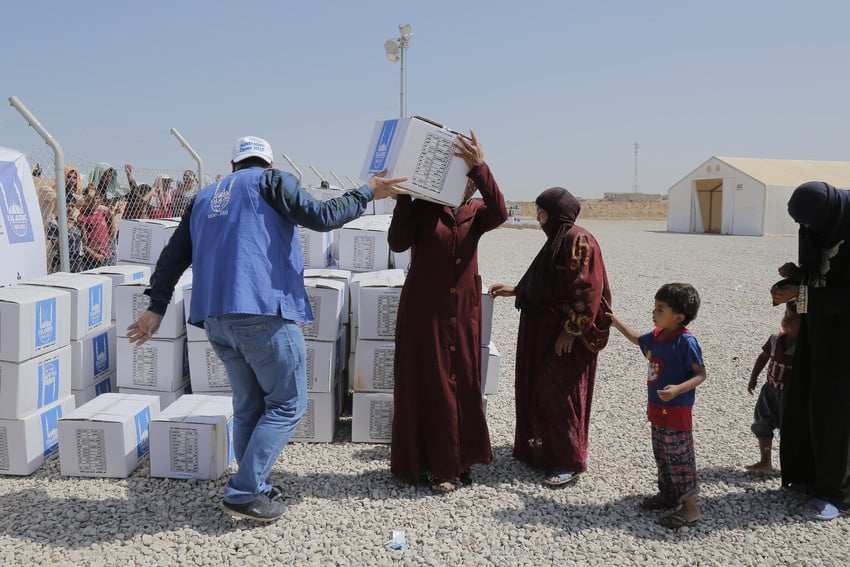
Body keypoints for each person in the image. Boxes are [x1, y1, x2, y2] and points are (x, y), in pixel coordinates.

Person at [126, 136, 407, 522]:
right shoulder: (272, 182)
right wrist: (366, 191)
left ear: (232, 165)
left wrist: (156, 306)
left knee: (248, 407)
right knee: (289, 403)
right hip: (261, 313)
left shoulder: (204, 196)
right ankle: (243, 491)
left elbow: (173, 255)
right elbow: (321, 217)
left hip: (214, 318)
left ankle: (252, 485)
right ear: (269, 164)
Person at [388, 130, 507, 492]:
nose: (465, 185)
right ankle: (435, 465)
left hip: (463, 312)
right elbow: (397, 241)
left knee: (464, 383)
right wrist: (405, 196)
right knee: (431, 383)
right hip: (426, 312)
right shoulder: (424, 208)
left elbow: (501, 211)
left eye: (468, 178)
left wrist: (480, 167)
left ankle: (460, 461)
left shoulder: (477, 213)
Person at [489, 187, 611, 488]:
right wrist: (516, 290)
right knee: (542, 388)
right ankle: (546, 452)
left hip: (564, 334)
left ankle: (569, 461)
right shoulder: (559, 240)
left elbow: (587, 291)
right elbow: (548, 279)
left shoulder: (577, 240)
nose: (538, 218)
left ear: (556, 214)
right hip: (545, 330)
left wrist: (571, 330)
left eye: (541, 212)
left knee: (559, 393)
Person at [770, 180, 850, 521]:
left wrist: (799, 296)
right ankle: (809, 475)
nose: (805, 229)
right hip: (818, 328)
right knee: (806, 397)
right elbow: (821, 275)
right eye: (800, 224)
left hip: (845, 335)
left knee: (837, 409)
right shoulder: (817, 227)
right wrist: (797, 276)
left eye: (808, 222)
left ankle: (837, 491)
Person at [607, 283, 705, 529]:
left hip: (677, 412)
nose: (654, 312)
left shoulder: (686, 342)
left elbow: (700, 374)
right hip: (657, 410)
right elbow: (637, 339)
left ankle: (691, 508)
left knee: (680, 459)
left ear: (679, 317)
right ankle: (669, 495)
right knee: (662, 456)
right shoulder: (657, 336)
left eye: (660, 308)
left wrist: (678, 389)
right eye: (655, 306)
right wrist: (617, 323)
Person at [745, 302, 799, 474]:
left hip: (791, 397)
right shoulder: (776, 339)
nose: (786, 321)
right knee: (762, 424)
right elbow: (763, 357)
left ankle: (792, 467)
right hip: (769, 391)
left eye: (792, 319)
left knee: (790, 431)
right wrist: (753, 378)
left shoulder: (805, 347)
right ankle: (765, 461)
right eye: (785, 316)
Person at [78, 183, 114, 268]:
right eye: (91, 198)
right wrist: (96, 255)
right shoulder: (83, 216)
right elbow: (84, 244)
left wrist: (111, 217)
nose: (94, 201)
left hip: (107, 254)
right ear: (86, 199)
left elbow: (111, 232)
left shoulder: (103, 214)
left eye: (97, 198)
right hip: (93, 259)